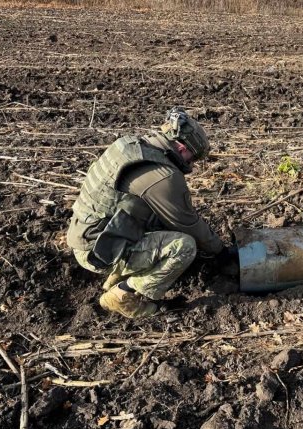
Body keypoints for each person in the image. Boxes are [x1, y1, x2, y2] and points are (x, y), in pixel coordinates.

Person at [66, 107, 230, 319]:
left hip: (86, 234)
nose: (192, 164)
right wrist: (221, 252)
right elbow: (187, 223)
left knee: (160, 223)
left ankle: (118, 273)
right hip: (98, 252)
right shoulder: (164, 177)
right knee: (184, 247)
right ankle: (124, 293)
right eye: (193, 158)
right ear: (181, 148)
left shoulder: (128, 146)